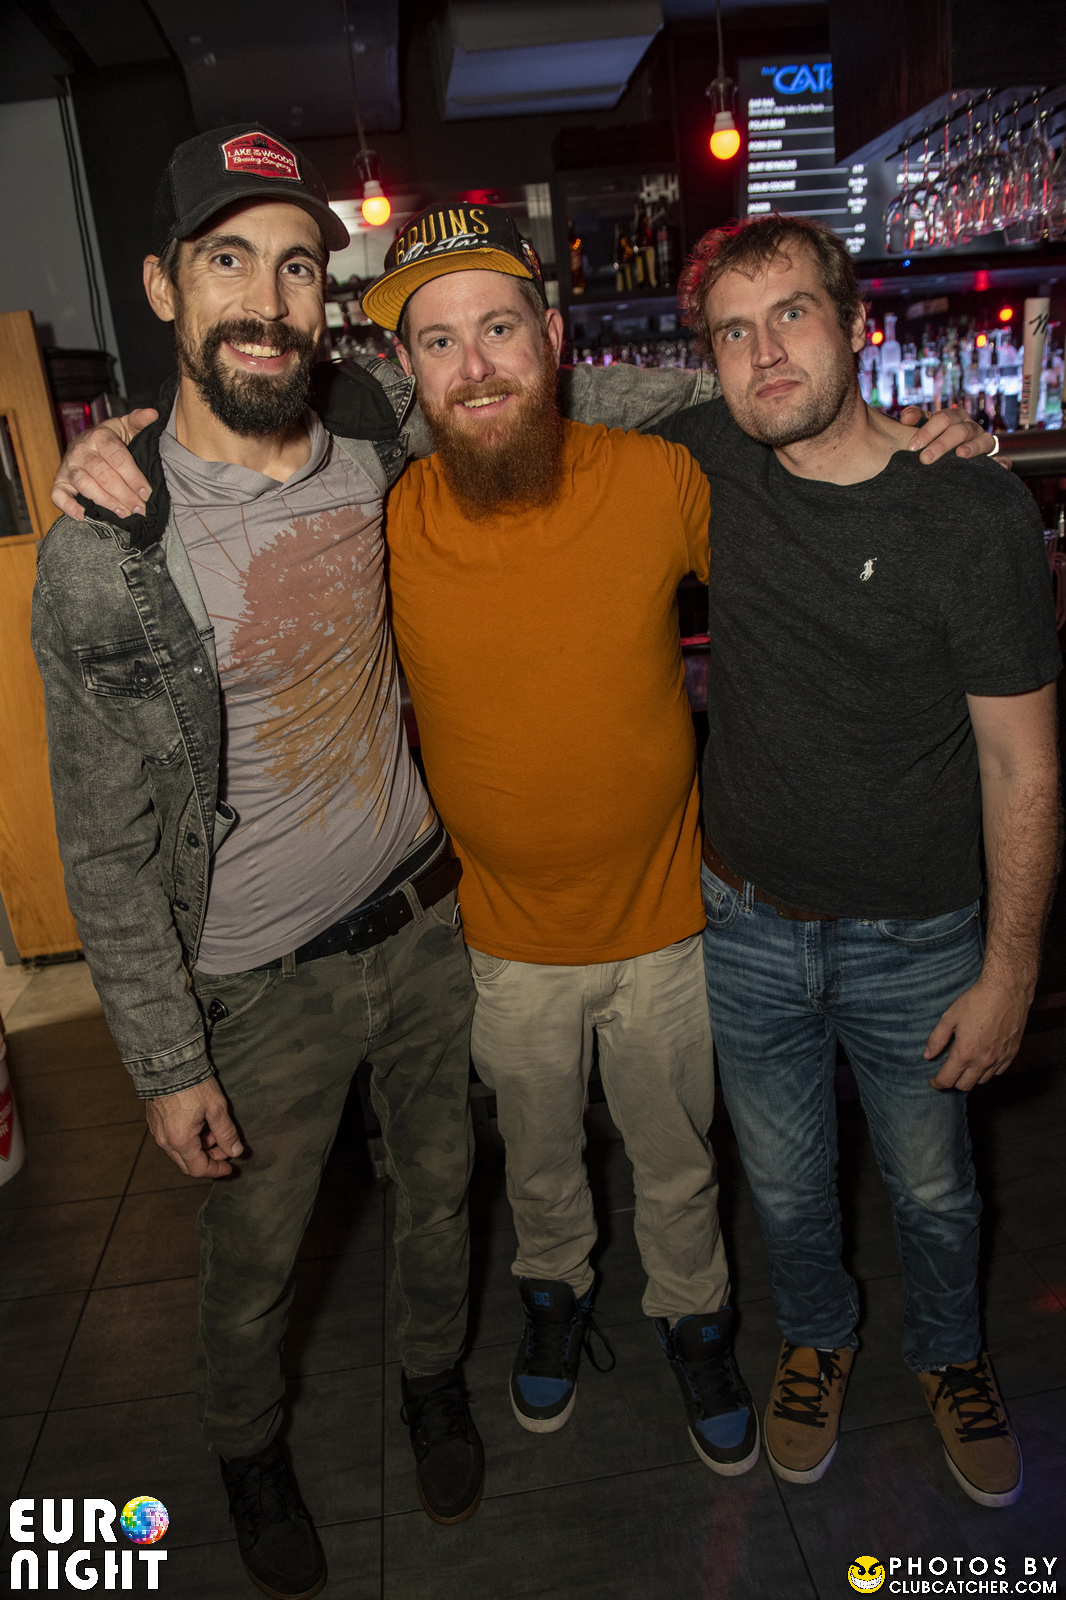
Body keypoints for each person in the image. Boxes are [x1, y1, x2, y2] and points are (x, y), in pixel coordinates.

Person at [52, 196, 993, 1501]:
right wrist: (119, 444)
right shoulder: (377, 507)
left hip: (673, 928)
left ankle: (695, 1325)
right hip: (492, 943)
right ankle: (553, 1297)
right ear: (402, 372)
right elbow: (238, 452)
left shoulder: (662, 477)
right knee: (538, 1168)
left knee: (680, 1167)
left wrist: (920, 431)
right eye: (438, 342)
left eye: (500, 328)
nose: (475, 365)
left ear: (554, 342)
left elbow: (795, 446)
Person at [33, 127, 486, 1600]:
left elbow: (536, 390)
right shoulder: (107, 545)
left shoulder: (367, 430)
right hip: (257, 986)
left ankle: (434, 1383)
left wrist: (824, 416)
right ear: (163, 286)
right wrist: (167, 1064)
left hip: (423, 923)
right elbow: (104, 842)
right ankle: (247, 1451)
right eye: (228, 260)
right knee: (255, 1262)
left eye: (297, 267)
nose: (267, 300)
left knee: (442, 1195)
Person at [650, 213, 1060, 1510]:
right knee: (782, 1186)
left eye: (791, 314)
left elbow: (1023, 767)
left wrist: (1010, 972)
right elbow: (509, 406)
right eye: (733, 332)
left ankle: (948, 1354)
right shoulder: (707, 454)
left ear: (855, 324)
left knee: (934, 1190)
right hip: (743, 921)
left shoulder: (970, 509)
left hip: (918, 936)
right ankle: (817, 1339)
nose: (764, 353)